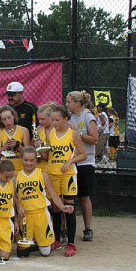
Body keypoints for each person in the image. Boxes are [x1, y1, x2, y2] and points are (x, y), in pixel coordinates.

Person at [40, 106, 87, 257]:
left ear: (66, 119)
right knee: (55, 208)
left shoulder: (73, 134)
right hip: (53, 173)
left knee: (69, 207)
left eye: (57, 120)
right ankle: (57, 239)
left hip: (67, 175)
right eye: (52, 119)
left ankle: (71, 243)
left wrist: (70, 161)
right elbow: (48, 156)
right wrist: (40, 149)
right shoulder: (50, 134)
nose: (54, 122)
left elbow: (83, 155)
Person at [16, 147, 74, 258]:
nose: (29, 163)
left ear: (36, 160)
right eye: (26, 160)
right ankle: (32, 241)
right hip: (25, 216)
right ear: (21, 159)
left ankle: (39, 241)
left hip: (41, 214)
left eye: (32, 160)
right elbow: (12, 194)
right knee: (22, 253)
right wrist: (18, 205)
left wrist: (62, 207)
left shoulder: (42, 174)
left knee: (46, 252)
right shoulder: (17, 176)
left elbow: (53, 194)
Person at [66, 91, 98, 242]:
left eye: (69, 102)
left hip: (85, 162)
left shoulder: (88, 117)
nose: (67, 104)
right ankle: (66, 230)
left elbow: (95, 139)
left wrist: (77, 133)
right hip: (71, 161)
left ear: (77, 103)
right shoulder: (69, 117)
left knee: (84, 196)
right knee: (68, 197)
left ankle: (88, 228)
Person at [0, 105, 30, 173]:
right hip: (5, 169)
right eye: (4, 119)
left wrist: (17, 145)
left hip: (20, 168)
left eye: (9, 118)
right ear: (1, 121)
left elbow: (28, 153)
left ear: (14, 117)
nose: (7, 121)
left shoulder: (23, 130)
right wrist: (4, 148)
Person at [34, 102, 57, 172]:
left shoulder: (57, 130)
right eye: (38, 119)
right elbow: (32, 147)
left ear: (51, 117)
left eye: (43, 119)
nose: (40, 122)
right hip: (40, 167)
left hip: (55, 167)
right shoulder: (38, 130)